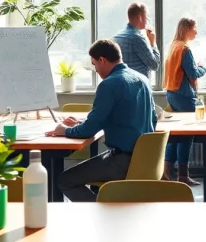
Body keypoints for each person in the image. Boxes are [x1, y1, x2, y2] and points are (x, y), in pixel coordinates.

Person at [50, 39, 157, 202]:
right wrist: (81, 123)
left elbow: (88, 131)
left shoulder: (109, 84)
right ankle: (104, 208)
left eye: (94, 64)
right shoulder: (142, 79)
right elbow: (153, 118)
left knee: (65, 180)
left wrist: (64, 130)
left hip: (123, 161)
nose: (96, 70)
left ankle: (101, 211)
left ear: (102, 60)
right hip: (145, 158)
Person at [162, 17, 206, 185]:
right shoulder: (185, 49)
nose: (196, 32)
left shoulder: (173, 46)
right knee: (186, 136)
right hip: (184, 95)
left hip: (172, 93)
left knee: (176, 134)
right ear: (187, 29)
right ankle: (182, 175)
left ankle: (166, 172)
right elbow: (193, 73)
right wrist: (203, 67)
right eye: (195, 28)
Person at [112, 1, 161, 79]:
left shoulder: (117, 37)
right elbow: (154, 65)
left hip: (122, 82)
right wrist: (153, 43)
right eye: (146, 17)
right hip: (138, 84)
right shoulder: (137, 39)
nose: (147, 20)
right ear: (140, 17)